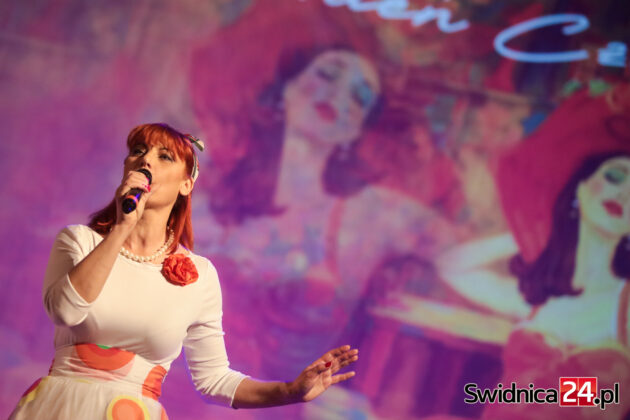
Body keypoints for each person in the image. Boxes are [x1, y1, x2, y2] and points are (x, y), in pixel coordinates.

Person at [8, 123, 359, 420]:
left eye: (164, 156)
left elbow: (214, 380)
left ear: (186, 185)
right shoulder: (80, 241)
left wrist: (290, 391)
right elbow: (65, 311)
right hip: (62, 408)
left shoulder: (199, 275)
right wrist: (121, 228)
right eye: (138, 151)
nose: (146, 159)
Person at [436, 87, 630, 419]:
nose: (623, 194)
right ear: (581, 186)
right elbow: (453, 267)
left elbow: (611, 401)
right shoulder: (540, 292)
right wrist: (525, 232)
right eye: (614, 176)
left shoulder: (623, 305)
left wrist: (537, 391)